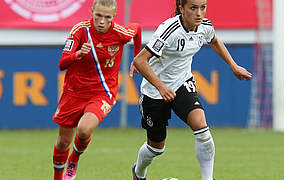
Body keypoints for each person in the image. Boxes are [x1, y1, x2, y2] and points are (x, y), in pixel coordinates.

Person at [129, 0, 252, 179]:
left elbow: (215, 41)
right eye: (193, 8)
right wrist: (161, 86)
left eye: (203, 7)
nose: (199, 13)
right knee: (156, 148)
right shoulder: (168, 30)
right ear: (181, 8)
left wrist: (234, 66)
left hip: (182, 83)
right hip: (155, 91)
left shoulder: (205, 26)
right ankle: (138, 171)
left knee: (201, 126)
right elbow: (139, 61)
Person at [52, 0, 141, 179]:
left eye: (107, 17)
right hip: (73, 92)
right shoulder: (80, 30)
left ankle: (74, 159)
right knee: (62, 143)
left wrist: (136, 58)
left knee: (84, 129)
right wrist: (78, 54)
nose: (101, 21)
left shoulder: (119, 33)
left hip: (102, 93)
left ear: (113, 17)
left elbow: (137, 29)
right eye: (98, 15)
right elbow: (62, 63)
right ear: (91, 11)